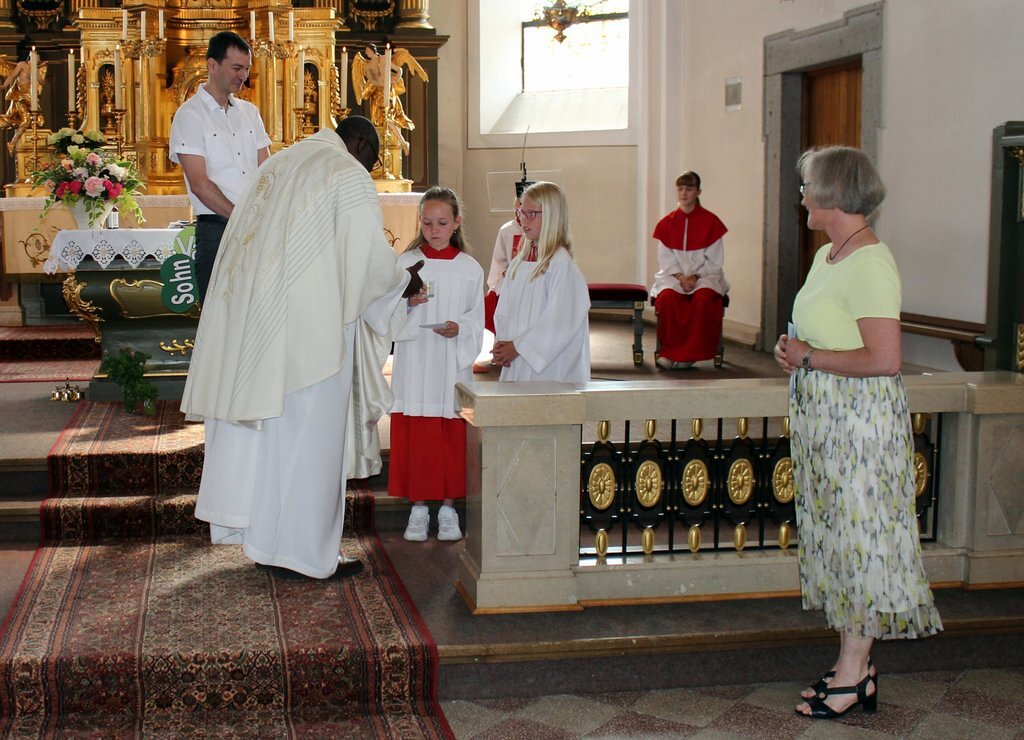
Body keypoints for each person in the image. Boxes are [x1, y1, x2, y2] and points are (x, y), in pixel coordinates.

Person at [180, 115, 424, 579]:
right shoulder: (345, 170)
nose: (370, 170)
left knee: (273, 441)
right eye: (372, 160)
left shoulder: (280, 163)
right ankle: (308, 555)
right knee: (312, 445)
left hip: (263, 330)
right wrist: (402, 281)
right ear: (360, 144)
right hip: (317, 335)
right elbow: (366, 259)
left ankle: (268, 545)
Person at [773, 146, 942, 719]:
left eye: (808, 187)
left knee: (862, 541)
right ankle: (856, 667)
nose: (802, 197)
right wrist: (795, 351)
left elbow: (885, 359)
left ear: (833, 194)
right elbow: (823, 334)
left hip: (861, 428)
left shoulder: (871, 262)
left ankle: (853, 673)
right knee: (839, 540)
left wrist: (811, 357)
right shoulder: (829, 256)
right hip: (827, 422)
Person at [388, 187, 484, 542]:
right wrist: (409, 304)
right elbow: (388, 312)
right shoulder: (407, 263)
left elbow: (477, 317)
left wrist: (461, 328)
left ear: (457, 222)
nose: (434, 230)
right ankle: (417, 508)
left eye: (442, 223)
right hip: (415, 359)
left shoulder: (469, 269)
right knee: (417, 435)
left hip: (449, 361)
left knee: (449, 434)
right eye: (427, 222)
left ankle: (447, 508)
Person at [169, 31, 271, 301]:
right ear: (212, 65)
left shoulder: (250, 113)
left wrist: (263, 216)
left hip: (257, 225)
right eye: (237, 68)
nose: (243, 76)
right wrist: (241, 218)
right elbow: (200, 184)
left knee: (260, 312)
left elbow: (267, 172)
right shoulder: (189, 115)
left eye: (247, 68)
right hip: (217, 227)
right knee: (217, 314)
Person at [492, 181, 590, 382]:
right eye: (521, 213)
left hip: (548, 366)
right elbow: (505, 308)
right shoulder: (519, 262)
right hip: (515, 355)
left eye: (531, 214)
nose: (523, 220)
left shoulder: (560, 264)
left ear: (553, 216)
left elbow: (560, 321)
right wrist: (502, 341)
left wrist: (519, 347)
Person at [650, 171, 729, 369]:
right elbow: (665, 259)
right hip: (674, 276)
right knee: (668, 299)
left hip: (704, 276)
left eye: (689, 189)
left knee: (703, 299)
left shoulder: (711, 222)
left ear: (698, 192)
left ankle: (690, 355)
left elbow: (714, 260)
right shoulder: (666, 223)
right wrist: (680, 276)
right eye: (680, 188)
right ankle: (669, 353)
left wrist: (694, 276)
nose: (684, 193)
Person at [474, 178, 535, 373]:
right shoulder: (507, 230)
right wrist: (499, 280)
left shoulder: (541, 230)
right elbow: (499, 260)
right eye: (520, 206)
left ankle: (522, 350)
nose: (522, 213)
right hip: (509, 281)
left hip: (533, 283)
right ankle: (500, 351)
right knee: (494, 305)